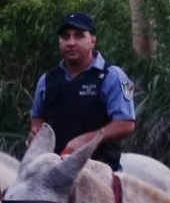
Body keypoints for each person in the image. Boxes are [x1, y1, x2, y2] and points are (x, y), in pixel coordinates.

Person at [27, 12, 136, 172]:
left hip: (99, 171)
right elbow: (37, 118)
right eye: (65, 37)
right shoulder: (47, 79)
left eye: (79, 36)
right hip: (53, 170)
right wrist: (36, 134)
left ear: (92, 40)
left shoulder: (112, 76)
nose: (71, 42)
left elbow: (126, 124)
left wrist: (86, 140)